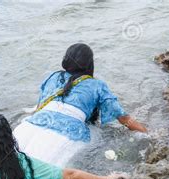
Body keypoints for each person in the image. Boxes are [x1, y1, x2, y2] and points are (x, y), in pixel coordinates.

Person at [14, 43, 147, 166]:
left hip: (30, 126)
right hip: (68, 134)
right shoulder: (97, 85)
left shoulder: (54, 76)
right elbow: (123, 118)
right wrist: (147, 134)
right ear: (90, 64)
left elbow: (40, 105)